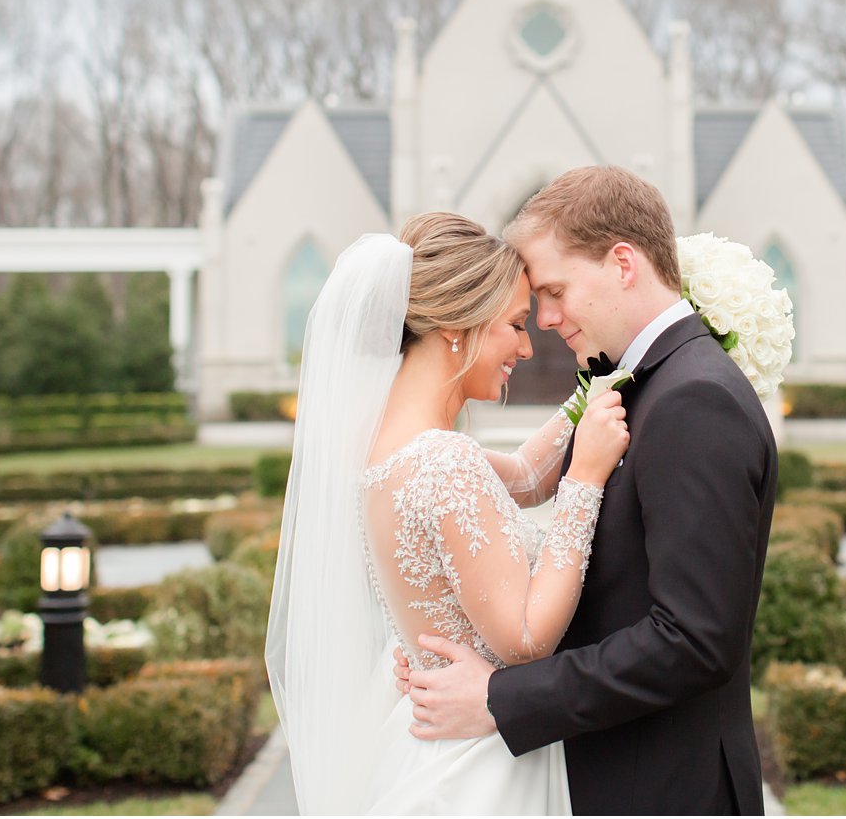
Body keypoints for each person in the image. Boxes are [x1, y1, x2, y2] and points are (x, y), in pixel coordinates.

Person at [397, 166, 780, 815]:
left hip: (664, 790)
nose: (544, 319)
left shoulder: (694, 402)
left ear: (622, 262)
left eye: (554, 291)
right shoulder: (633, 381)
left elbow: (692, 639)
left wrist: (500, 696)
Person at [265, 211, 629, 814]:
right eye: (514, 324)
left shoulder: (383, 445)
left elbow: (527, 476)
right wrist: (586, 479)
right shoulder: (442, 460)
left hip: (430, 743)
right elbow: (525, 639)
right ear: (459, 325)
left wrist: (593, 391)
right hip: (478, 764)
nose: (526, 344)